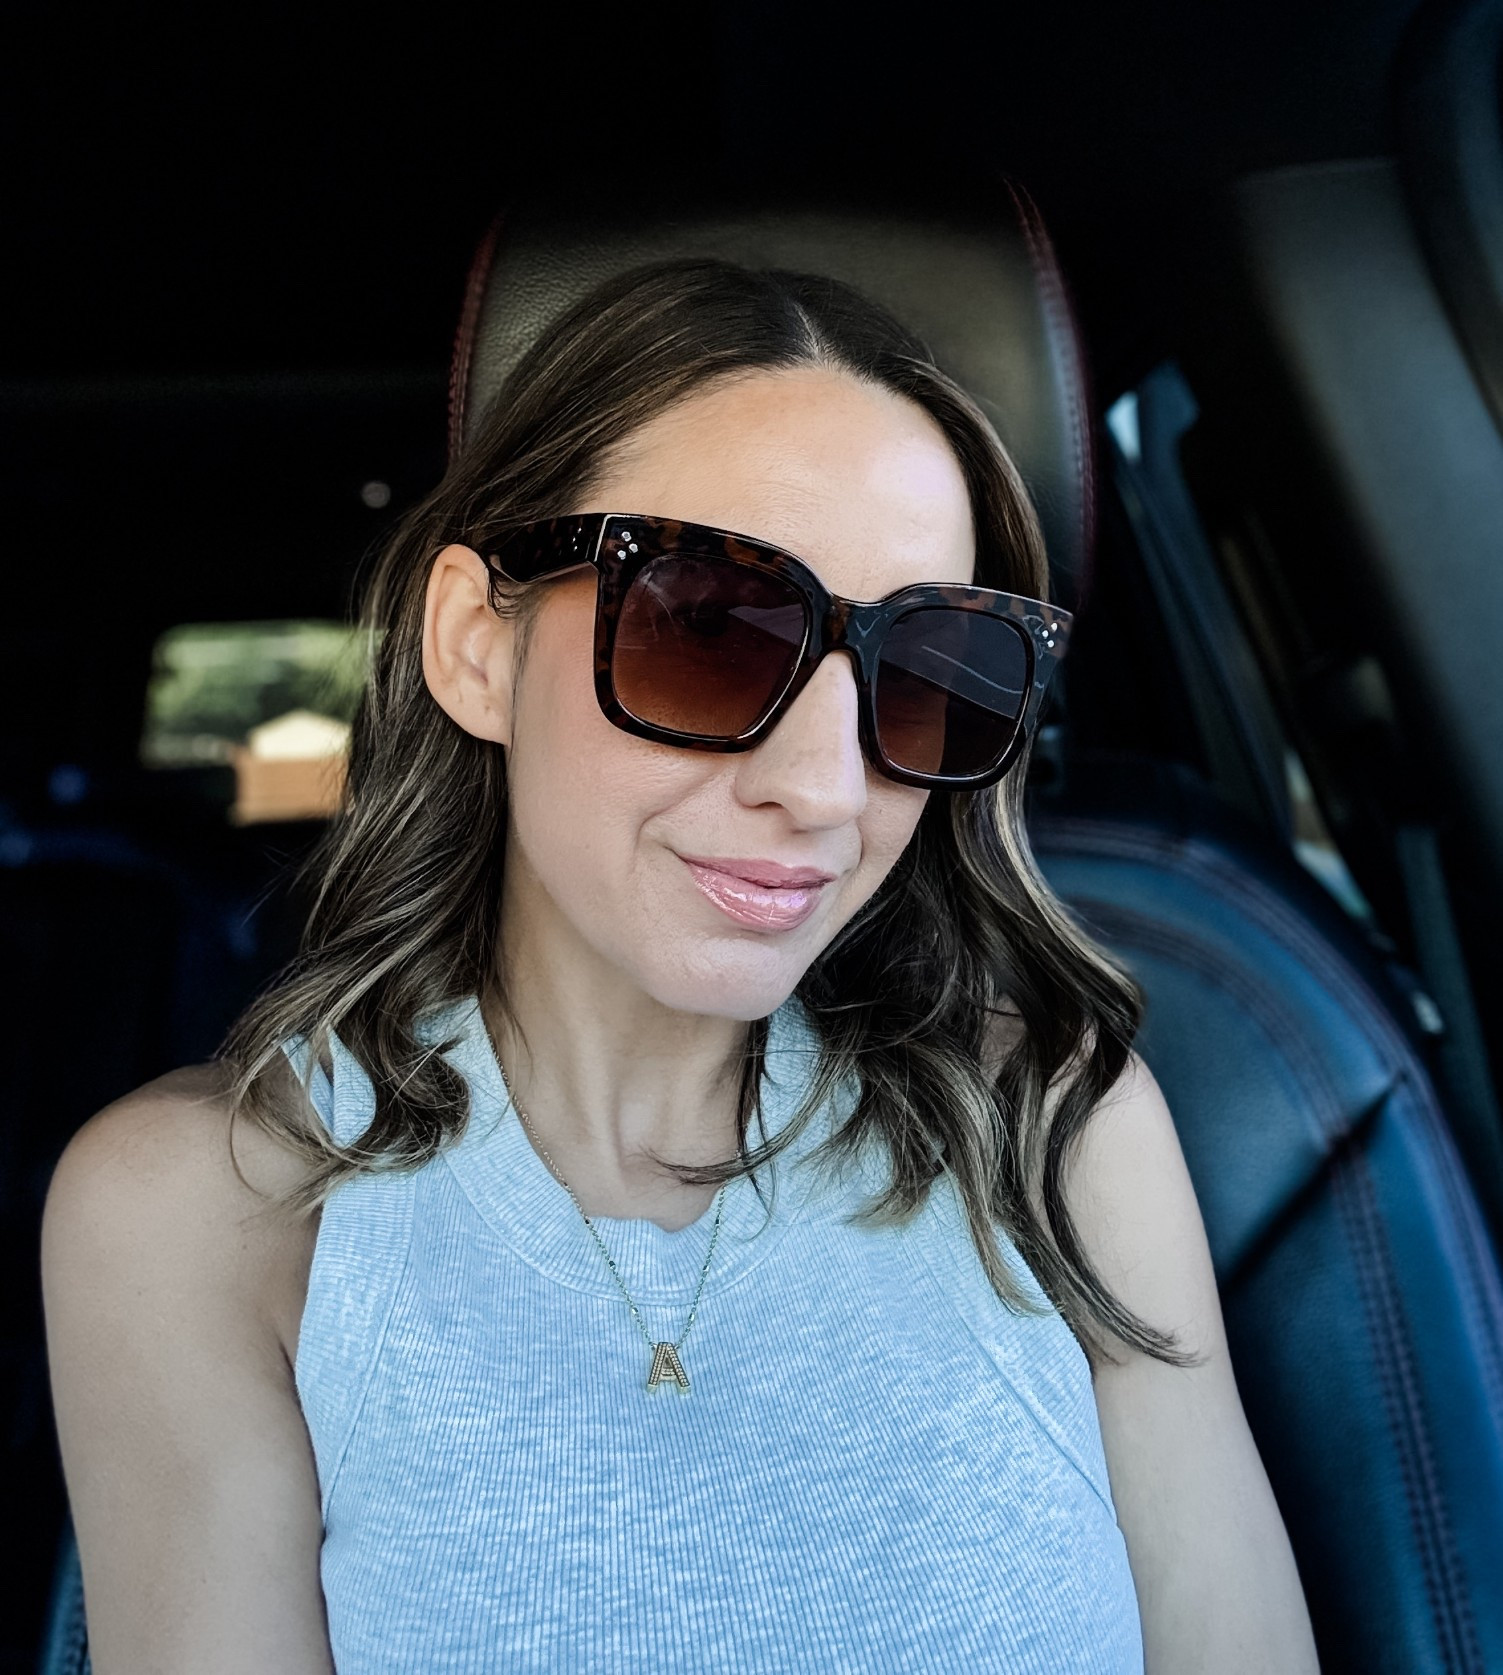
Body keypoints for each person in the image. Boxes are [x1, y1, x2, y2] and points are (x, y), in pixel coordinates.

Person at [42, 258, 1319, 1673]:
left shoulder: (1062, 1133)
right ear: (477, 646)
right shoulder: (202, 1219)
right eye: (710, 628)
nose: (826, 793)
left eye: (932, 665)